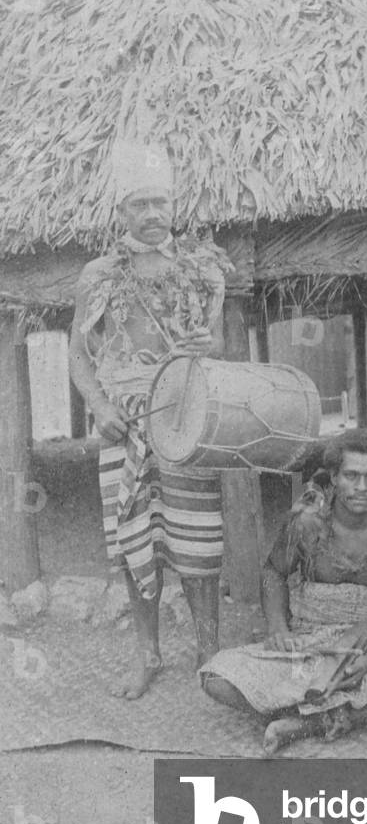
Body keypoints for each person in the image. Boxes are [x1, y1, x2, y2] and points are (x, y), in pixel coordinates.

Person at [69, 140, 233, 699]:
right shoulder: (99, 274)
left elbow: (220, 344)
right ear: (122, 213)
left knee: (198, 539)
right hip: (125, 423)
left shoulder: (201, 270)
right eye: (140, 204)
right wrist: (100, 406)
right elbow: (77, 354)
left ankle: (209, 653)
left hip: (187, 419)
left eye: (160, 202)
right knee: (137, 539)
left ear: (173, 206)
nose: (152, 214)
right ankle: (148, 654)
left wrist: (209, 342)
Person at [200, 429, 367, 754]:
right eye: (351, 476)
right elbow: (273, 572)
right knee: (216, 676)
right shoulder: (307, 522)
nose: (361, 487)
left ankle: (306, 723)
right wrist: (279, 629)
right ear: (335, 477)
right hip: (308, 646)